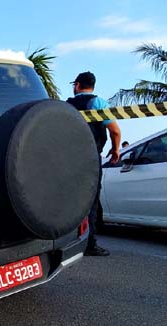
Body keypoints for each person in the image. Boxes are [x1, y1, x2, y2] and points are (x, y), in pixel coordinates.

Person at [67, 71, 121, 257]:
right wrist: (115, 150)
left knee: (67, 198)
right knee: (91, 200)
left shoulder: (66, 105)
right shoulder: (98, 103)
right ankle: (90, 243)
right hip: (90, 157)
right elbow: (114, 130)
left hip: (67, 158)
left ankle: (65, 241)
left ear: (77, 85)